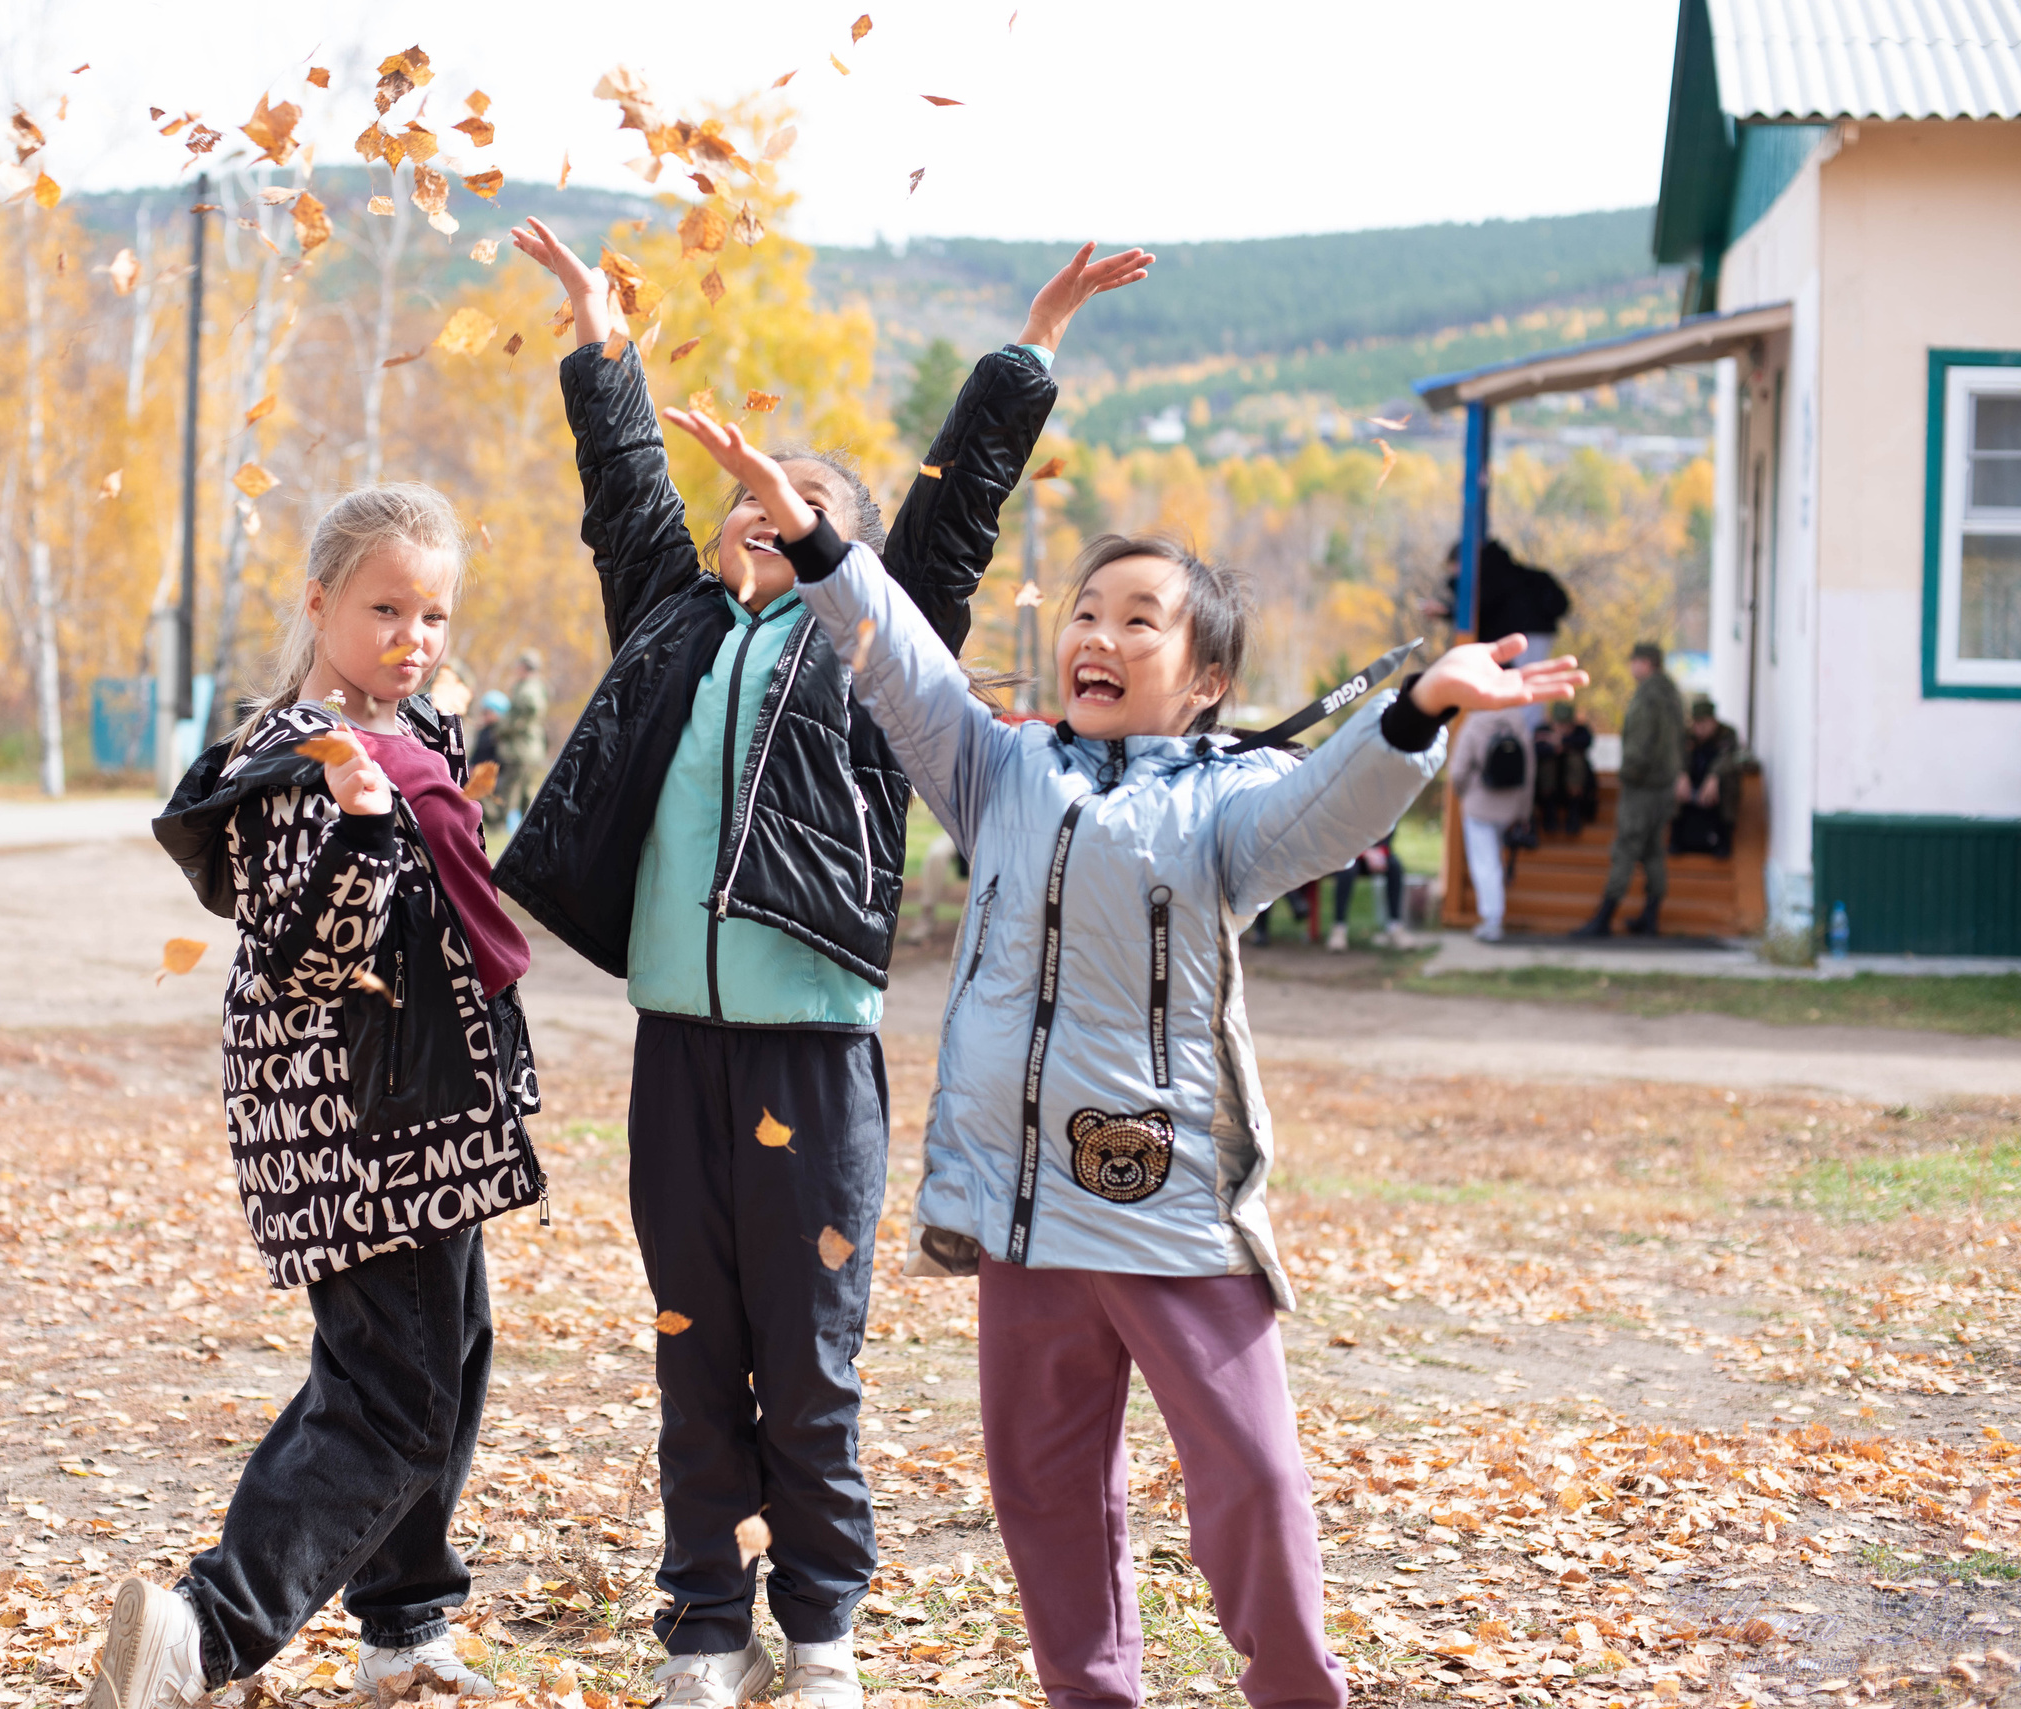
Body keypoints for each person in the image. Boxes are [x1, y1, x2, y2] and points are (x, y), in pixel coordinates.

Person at [661, 405, 1583, 1709]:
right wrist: (812, 536)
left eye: (1141, 618)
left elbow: (1331, 802)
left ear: (1204, 677)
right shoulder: (994, 767)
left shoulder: (1227, 804)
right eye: (1088, 610)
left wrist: (1421, 705)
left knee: (1253, 1484)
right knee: (1046, 1499)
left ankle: (1296, 1690)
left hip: (1170, 1211)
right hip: (1023, 1211)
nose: (1099, 633)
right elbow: (898, 660)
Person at [497, 216, 1151, 1709]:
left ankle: (824, 1631)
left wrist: (1032, 339)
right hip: (680, 1052)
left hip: (815, 1048)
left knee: (809, 1352)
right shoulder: (673, 621)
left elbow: (958, 510)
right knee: (692, 1343)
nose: (756, 508)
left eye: (793, 503)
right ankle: (703, 1631)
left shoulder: (874, 643)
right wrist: (602, 337)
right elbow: (622, 494)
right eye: (744, 494)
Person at [100, 484, 546, 1709]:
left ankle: (404, 1626)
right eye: (386, 606)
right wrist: (358, 825)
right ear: (318, 603)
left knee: (437, 1361)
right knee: (396, 1399)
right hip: (360, 1125)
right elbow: (306, 949)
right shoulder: (306, 760)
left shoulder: (412, 738)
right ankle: (202, 1631)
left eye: (436, 612)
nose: (416, 635)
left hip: (424, 1114)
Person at [1574, 641, 1684, 937]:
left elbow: (1641, 742)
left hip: (1643, 786)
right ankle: (1650, 916)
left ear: (1647, 663)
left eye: (1635, 661)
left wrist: (1629, 773)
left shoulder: (1649, 696)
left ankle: (1604, 917)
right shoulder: (1671, 694)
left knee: (1626, 848)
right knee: (1652, 851)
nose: (1632, 667)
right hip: (1663, 785)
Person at [1447, 703, 1536, 942]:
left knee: (1486, 864)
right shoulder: (1518, 723)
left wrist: (1463, 793)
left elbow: (1457, 771)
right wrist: (1524, 812)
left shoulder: (1474, 722)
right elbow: (1529, 772)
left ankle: (1492, 920)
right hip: (1510, 806)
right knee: (1495, 861)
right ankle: (1493, 917)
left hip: (1478, 805)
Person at [1428, 538, 1572, 662]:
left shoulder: (1491, 575)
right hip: (1533, 635)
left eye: (1454, 568)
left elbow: (1478, 609)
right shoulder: (1504, 571)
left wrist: (1447, 611)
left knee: (1522, 683)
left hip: (1521, 637)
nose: (1454, 574)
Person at [1670, 695, 1744, 857]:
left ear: (1713, 721)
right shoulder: (1687, 736)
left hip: (1716, 791)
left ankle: (1723, 840)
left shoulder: (1727, 734)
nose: (1699, 728)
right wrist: (1681, 774)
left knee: (1729, 781)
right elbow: (1676, 757)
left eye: (1703, 723)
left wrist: (1714, 777)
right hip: (1691, 788)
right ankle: (1676, 838)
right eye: (1696, 723)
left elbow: (1729, 758)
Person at [493, 650, 549, 833]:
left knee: (511, 789)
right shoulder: (537, 686)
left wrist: (503, 729)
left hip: (521, 748)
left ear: (524, 667)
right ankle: (532, 827)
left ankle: (502, 826)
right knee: (526, 790)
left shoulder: (527, 689)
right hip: (531, 747)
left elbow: (528, 710)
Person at [1328, 832, 1414, 951]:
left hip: (1378, 853)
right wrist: (1365, 853)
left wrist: (1380, 852)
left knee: (1395, 866)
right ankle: (1339, 928)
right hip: (1350, 854)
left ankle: (1395, 926)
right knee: (1346, 871)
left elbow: (1390, 828)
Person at [1534, 701, 1597, 837]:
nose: (1562, 728)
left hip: (1575, 794)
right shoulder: (1542, 731)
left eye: (1566, 724)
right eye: (1559, 724)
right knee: (1547, 763)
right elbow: (1535, 751)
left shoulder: (1580, 731)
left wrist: (1561, 741)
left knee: (1575, 758)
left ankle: (1574, 814)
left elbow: (1586, 741)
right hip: (1548, 793)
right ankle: (1549, 814)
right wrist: (1553, 748)